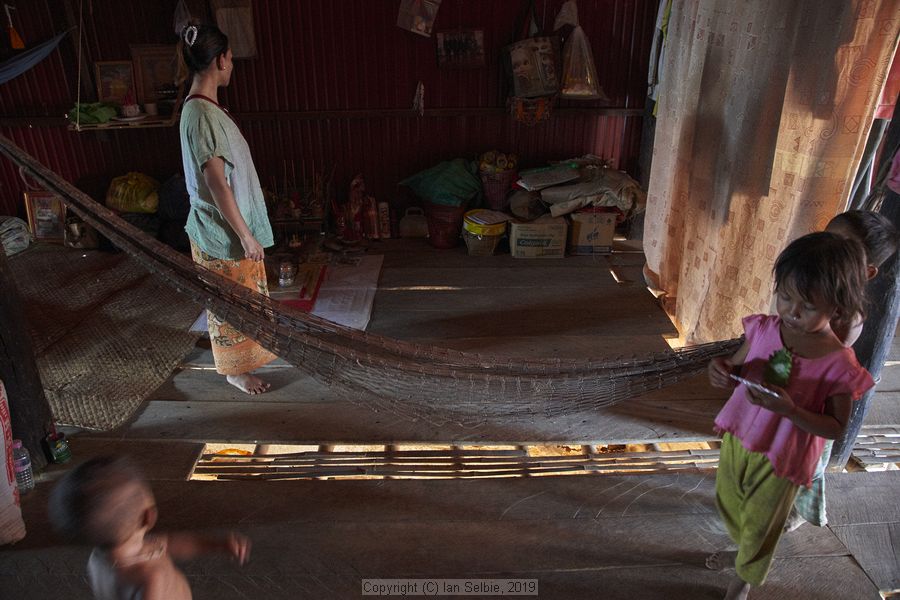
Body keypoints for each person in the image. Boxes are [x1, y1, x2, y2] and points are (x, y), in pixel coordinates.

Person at [706, 232, 875, 600]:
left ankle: (743, 581)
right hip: (739, 437)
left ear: (839, 309)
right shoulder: (765, 329)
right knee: (728, 502)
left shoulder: (839, 365)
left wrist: (792, 411)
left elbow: (835, 427)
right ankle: (746, 550)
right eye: (785, 296)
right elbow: (734, 366)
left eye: (807, 306)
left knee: (762, 524)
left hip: (783, 457)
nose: (791, 312)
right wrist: (719, 370)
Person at [785, 210, 900, 531]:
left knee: (807, 460)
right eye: (828, 238)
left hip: (816, 396)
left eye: (843, 247)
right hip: (793, 384)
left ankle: (796, 511)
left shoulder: (848, 317)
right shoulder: (811, 291)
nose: (828, 251)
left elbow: (826, 359)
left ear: (867, 272)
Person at [178, 22, 276, 394]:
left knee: (241, 303)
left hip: (226, 228)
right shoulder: (201, 115)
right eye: (231, 59)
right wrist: (245, 235)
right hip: (221, 232)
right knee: (230, 307)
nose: (232, 66)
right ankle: (235, 372)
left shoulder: (202, 109)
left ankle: (243, 366)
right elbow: (216, 182)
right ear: (219, 60)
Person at [48, 456, 251, 600]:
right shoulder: (151, 578)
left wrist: (217, 544)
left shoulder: (99, 559)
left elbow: (172, 544)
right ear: (148, 516)